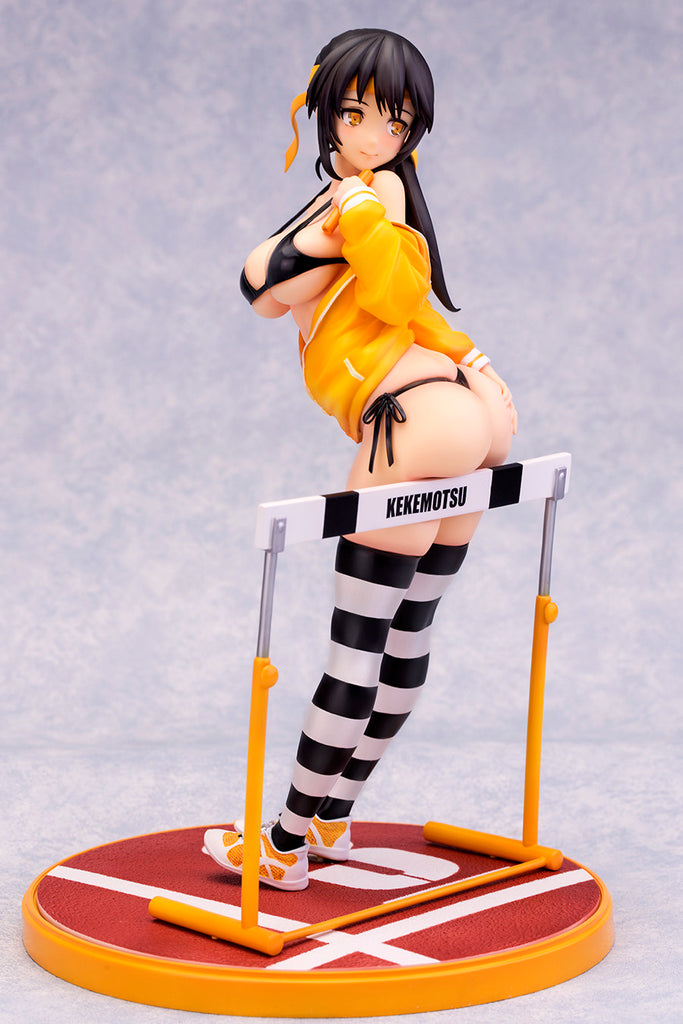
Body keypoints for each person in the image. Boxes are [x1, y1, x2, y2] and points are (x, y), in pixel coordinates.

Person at [204, 28, 517, 890]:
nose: (374, 134)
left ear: (410, 130)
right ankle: (330, 818)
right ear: (326, 113)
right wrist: (471, 358)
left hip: (412, 419)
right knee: (406, 636)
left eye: (395, 121)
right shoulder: (372, 199)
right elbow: (272, 287)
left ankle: (281, 846)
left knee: (358, 646)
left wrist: (350, 221)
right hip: (465, 411)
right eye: (356, 114)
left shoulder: (369, 201)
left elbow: (289, 285)